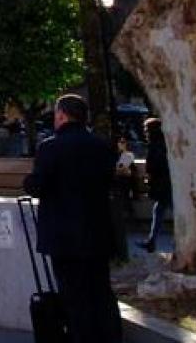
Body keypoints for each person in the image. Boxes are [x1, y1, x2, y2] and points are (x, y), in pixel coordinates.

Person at [24, 94, 121, 343]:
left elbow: (37, 186)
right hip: (98, 232)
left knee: (74, 297)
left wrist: (28, 181)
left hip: (64, 236)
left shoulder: (50, 147)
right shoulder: (102, 146)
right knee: (102, 292)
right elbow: (110, 181)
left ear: (61, 115)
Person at [137, 118, 171, 253]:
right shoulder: (162, 143)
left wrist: (151, 173)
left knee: (161, 209)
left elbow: (156, 164)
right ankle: (151, 241)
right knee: (159, 209)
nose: (145, 133)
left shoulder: (156, 145)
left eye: (146, 130)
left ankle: (152, 241)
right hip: (165, 183)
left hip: (164, 184)